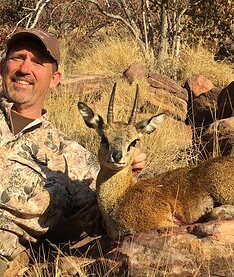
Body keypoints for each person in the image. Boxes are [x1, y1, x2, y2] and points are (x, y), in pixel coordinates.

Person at [0, 28, 146, 275]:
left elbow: (109, 222)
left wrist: (126, 174)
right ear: (3, 66)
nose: (25, 69)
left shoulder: (72, 156)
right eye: (17, 57)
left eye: (37, 62)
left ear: (55, 79)